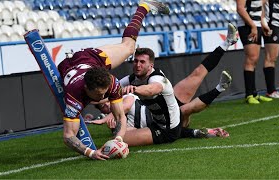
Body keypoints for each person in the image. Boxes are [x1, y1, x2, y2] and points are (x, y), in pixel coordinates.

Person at [90, 23, 238, 147]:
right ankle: (219, 89)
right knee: (187, 107)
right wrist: (90, 98)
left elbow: (152, 89)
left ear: (151, 65)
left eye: (142, 62)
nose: (138, 65)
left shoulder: (157, 79)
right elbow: (110, 92)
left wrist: (134, 90)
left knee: (118, 139)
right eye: (135, 61)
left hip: (166, 126)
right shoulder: (132, 78)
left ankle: (226, 44)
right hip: (161, 116)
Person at [57, 0, 170, 160]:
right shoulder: (74, 96)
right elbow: (68, 136)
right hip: (69, 68)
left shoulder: (112, 83)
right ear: (87, 89)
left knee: (129, 47)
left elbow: (119, 117)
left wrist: (118, 139)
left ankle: (144, 6)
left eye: (105, 93)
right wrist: (90, 152)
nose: (103, 97)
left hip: (90, 59)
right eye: (98, 95)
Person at [86, 70, 232, 140]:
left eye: (105, 105)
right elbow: (133, 130)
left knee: (186, 109)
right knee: (176, 126)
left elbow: (127, 103)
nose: (106, 108)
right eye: (102, 109)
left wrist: (108, 117)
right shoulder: (113, 118)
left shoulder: (124, 98)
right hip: (154, 124)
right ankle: (198, 132)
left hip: (158, 112)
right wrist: (115, 127)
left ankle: (219, 88)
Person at [236, 0, 274, 104]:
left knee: (255, 59)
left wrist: (263, 25)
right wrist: (252, 26)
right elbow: (240, 8)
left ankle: (254, 94)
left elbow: (260, 10)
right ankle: (249, 95)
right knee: (251, 58)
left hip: (256, 25)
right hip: (247, 26)